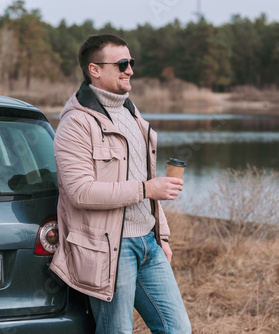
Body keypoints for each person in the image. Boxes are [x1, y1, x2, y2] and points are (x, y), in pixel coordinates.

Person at [50, 34, 192, 334]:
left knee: (177, 329)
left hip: (148, 244)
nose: (130, 71)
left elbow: (145, 178)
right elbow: (80, 191)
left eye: (131, 63)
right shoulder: (76, 123)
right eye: (122, 64)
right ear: (95, 70)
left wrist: (161, 236)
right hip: (109, 249)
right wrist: (146, 189)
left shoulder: (132, 113)